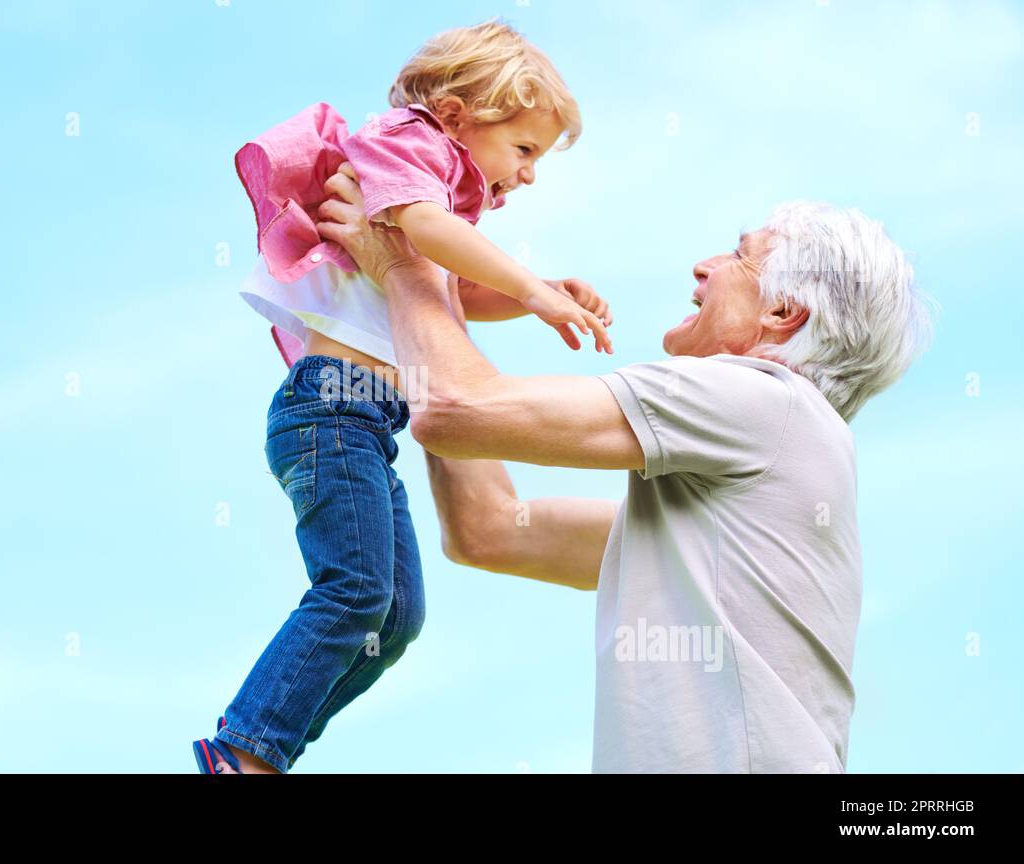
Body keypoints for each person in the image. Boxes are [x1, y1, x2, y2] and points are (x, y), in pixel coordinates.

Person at [315, 164, 934, 773]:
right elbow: (490, 528)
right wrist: (426, 292)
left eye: (737, 257)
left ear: (782, 313)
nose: (705, 266)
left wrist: (405, 266)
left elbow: (456, 410)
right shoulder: (723, 509)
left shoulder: (765, 398)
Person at [195, 20, 609, 774]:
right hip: (332, 407)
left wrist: (537, 292)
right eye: (523, 150)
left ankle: (265, 747)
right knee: (355, 590)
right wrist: (534, 292)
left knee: (397, 617)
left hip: (368, 422)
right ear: (457, 118)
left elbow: (449, 286)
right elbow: (423, 230)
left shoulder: (441, 198)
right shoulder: (405, 144)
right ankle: (243, 752)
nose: (530, 174)